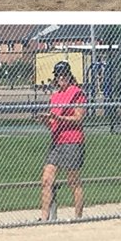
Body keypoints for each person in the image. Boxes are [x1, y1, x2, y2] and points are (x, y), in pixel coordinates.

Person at [37, 61, 86, 221]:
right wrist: (45, 120)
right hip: (57, 141)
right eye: (58, 75)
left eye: (64, 74)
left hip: (72, 140)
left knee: (73, 181)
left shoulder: (77, 92)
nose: (61, 77)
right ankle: (44, 218)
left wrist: (59, 117)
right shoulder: (56, 96)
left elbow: (78, 118)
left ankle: (78, 217)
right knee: (46, 179)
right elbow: (52, 123)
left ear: (69, 75)